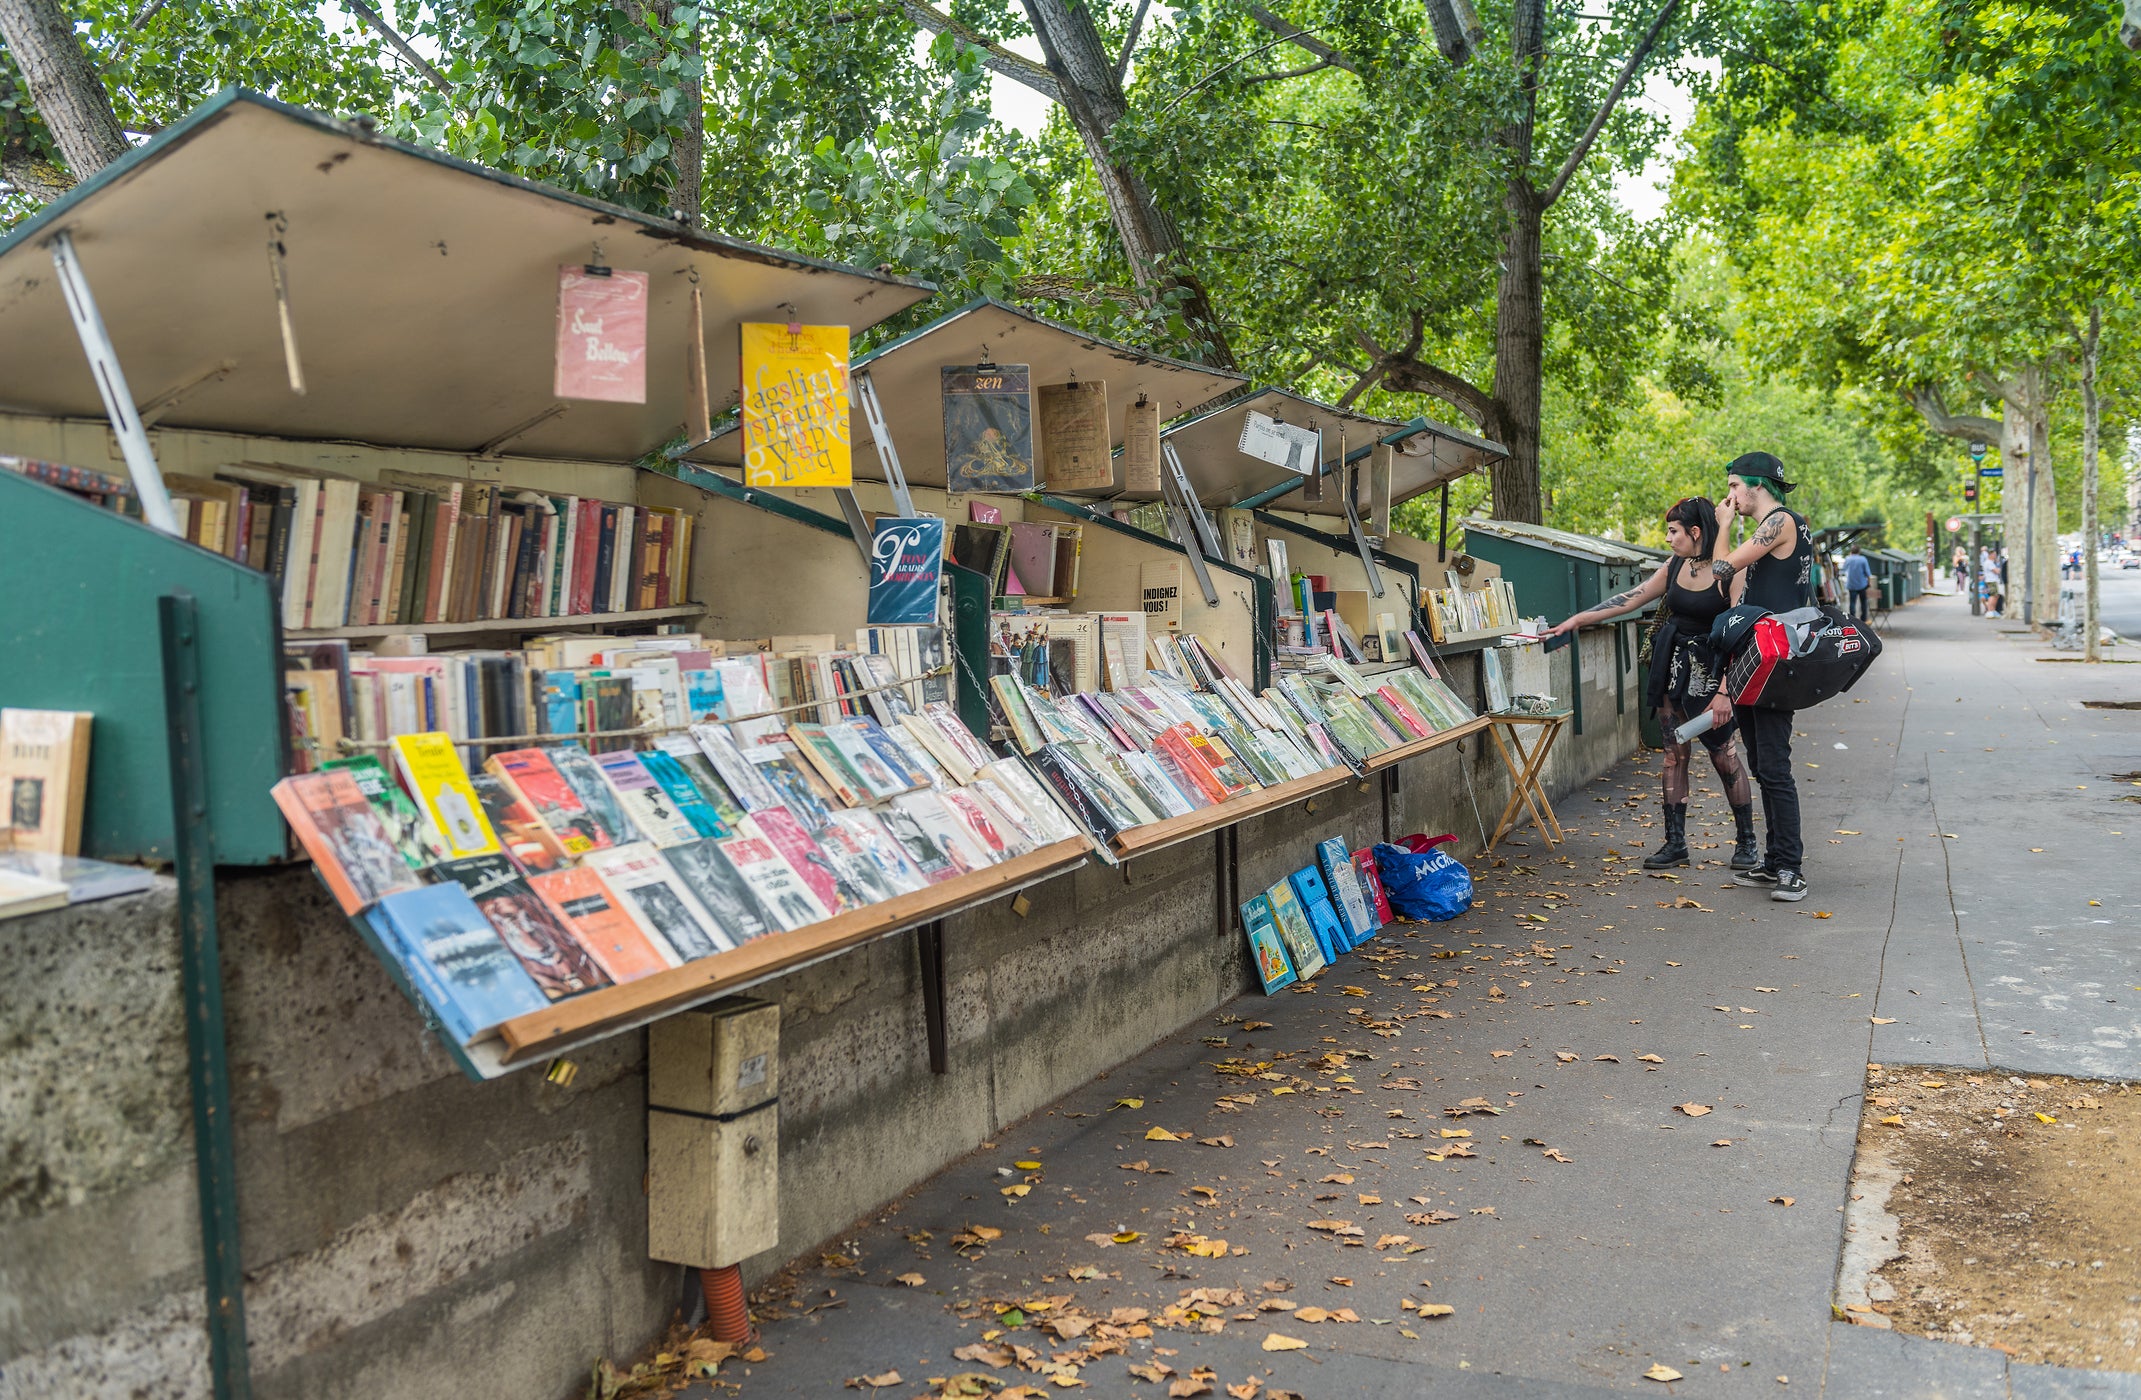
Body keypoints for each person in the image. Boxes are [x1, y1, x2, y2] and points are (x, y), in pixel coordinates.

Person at [1548, 497, 1758, 872]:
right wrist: (1577, 619)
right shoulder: (1676, 564)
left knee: (1724, 755)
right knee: (1673, 755)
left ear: (1696, 531)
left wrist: (1726, 691)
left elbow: (1742, 635)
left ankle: (1747, 843)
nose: (1668, 538)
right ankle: (1674, 843)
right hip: (1672, 672)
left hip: (1713, 676)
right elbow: (1632, 598)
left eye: (1674, 531)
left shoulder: (1731, 570)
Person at [1702, 452, 1815, 903]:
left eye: (1733, 486)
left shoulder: (1782, 522)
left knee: (1775, 767)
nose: (1729, 495)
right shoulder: (1772, 530)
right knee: (1765, 766)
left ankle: (1791, 867)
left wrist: (1723, 527)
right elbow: (1730, 593)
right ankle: (1774, 861)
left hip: (1776, 660)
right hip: (1754, 656)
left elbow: (1721, 568)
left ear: (1757, 485)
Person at [1843, 544, 1873, 623]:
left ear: (1851, 551)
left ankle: (1852, 619)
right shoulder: (1863, 559)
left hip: (1851, 584)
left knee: (1852, 602)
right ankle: (1864, 619)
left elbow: (1843, 569)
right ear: (1859, 551)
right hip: (1862, 584)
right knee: (1863, 602)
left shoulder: (1848, 559)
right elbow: (1868, 573)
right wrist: (1869, 582)